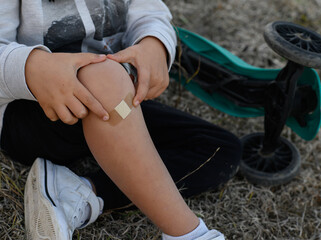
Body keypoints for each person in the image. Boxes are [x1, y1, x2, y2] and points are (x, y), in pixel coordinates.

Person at [0, 0, 242, 239]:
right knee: (104, 80)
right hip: (35, 114)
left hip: (114, 108)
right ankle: (189, 234)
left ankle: (79, 191)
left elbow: (150, 13)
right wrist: (32, 67)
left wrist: (154, 44)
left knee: (219, 149)